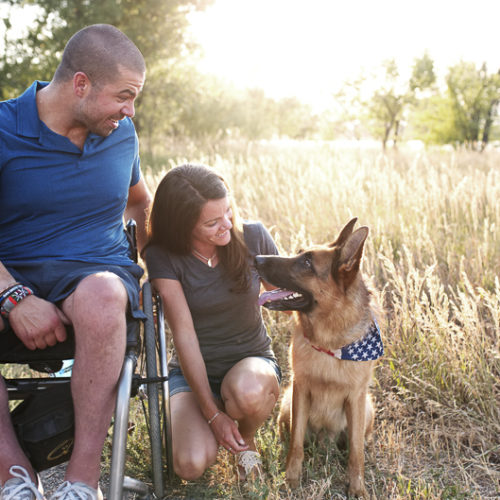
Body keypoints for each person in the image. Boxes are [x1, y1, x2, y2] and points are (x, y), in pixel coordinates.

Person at [0, 24, 151, 500]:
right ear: (81, 84)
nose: (130, 111)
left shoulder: (121, 133)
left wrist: (162, 267)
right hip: (10, 274)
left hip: (95, 278)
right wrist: (14, 297)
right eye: (123, 96)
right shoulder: (4, 129)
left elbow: (139, 202)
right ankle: (13, 476)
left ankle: (82, 483)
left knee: (104, 294)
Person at [144, 164, 281, 482]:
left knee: (246, 393)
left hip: (251, 364)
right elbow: (184, 334)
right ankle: (217, 419)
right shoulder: (163, 256)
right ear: (182, 226)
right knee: (189, 466)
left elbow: (287, 299)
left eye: (228, 212)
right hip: (193, 374)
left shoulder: (253, 236)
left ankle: (245, 442)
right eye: (212, 222)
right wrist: (213, 413)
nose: (227, 225)